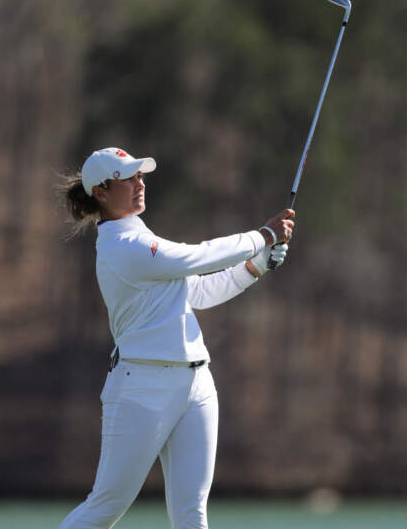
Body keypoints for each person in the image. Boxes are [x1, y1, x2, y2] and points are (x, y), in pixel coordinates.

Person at [57, 147, 294, 529]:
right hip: (140, 388)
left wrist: (258, 264)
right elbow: (195, 258)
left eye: (141, 176)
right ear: (101, 192)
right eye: (129, 178)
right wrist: (262, 236)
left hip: (197, 384)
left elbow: (198, 293)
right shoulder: (122, 246)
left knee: (192, 514)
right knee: (105, 508)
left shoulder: (141, 235)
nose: (140, 184)